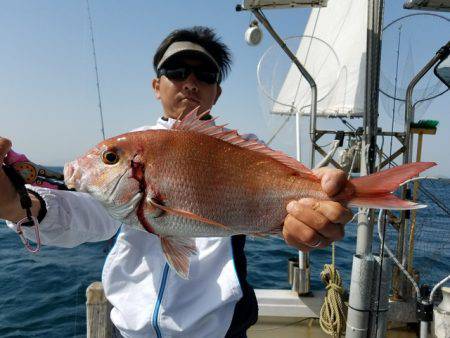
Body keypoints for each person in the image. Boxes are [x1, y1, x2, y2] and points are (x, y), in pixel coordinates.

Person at [0, 26, 352, 338]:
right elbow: (90, 214)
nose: (190, 81)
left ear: (217, 92)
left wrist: (311, 208)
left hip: (221, 329)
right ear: (157, 85)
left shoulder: (243, 149)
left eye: (205, 74)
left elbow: (286, 198)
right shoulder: (133, 144)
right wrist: (18, 205)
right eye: (176, 71)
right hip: (131, 331)